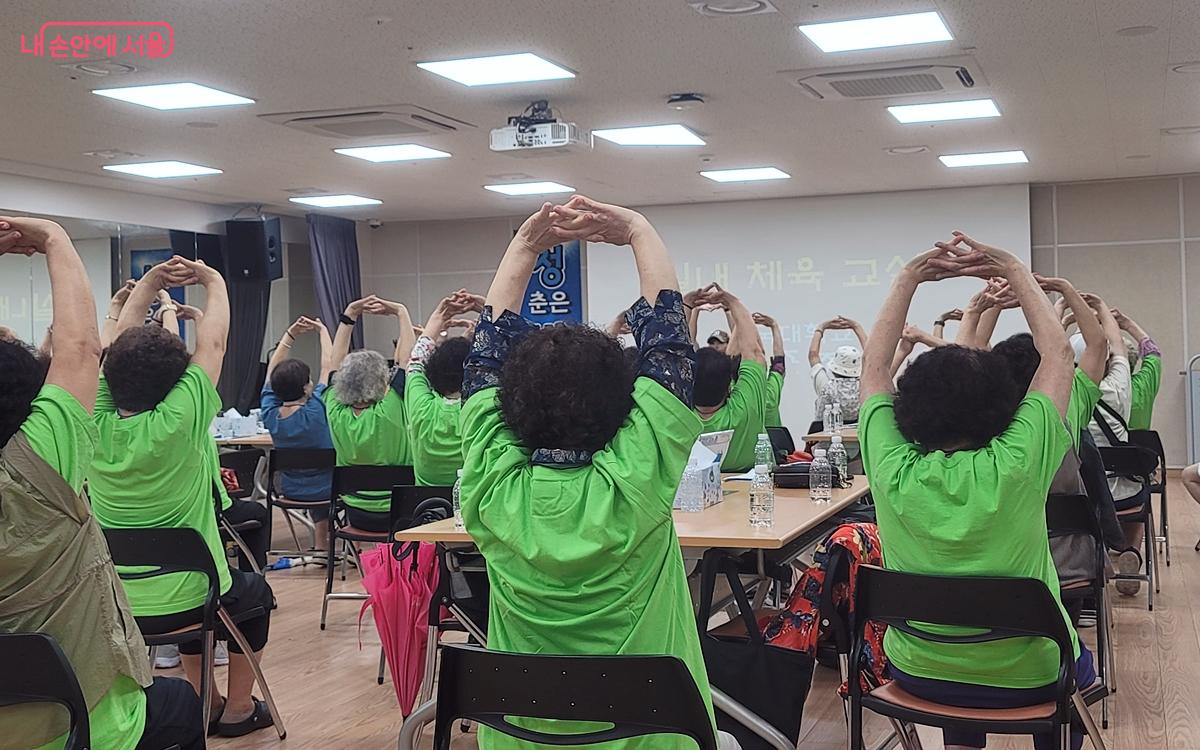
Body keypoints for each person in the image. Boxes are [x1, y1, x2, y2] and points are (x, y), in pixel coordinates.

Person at [460, 197, 734, 750]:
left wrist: (525, 245)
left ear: (509, 406)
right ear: (624, 404)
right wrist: (637, 229)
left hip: (522, 740)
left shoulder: (492, 486)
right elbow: (669, 346)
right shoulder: (639, 475)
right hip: (657, 737)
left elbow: (484, 356)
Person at [859, 232, 1094, 750]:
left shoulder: (891, 466)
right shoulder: (1018, 461)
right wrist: (1015, 269)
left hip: (918, 670)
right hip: (1030, 676)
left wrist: (906, 279)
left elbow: (873, 368)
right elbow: (1057, 356)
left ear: (908, 409)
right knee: (1074, 665)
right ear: (1001, 407)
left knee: (958, 664)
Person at [0, 217, 204, 750]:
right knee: (180, 705)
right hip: (86, 729)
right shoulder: (38, 463)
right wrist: (53, 238)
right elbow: (82, 350)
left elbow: (85, 353)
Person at [88, 256, 276, 737]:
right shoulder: (181, 418)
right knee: (251, 593)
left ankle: (205, 701)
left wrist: (148, 285)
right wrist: (214, 279)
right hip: (194, 594)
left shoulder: (93, 424)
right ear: (179, 383)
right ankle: (236, 707)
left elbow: (110, 358)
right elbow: (212, 341)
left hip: (120, 601)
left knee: (204, 590)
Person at [324, 295, 415, 532]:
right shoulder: (391, 407)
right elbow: (408, 359)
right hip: (399, 512)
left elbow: (334, 362)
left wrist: (349, 315)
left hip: (356, 514)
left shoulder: (334, 410)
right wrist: (401, 311)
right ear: (381, 380)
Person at [261, 315, 335, 550]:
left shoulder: (270, 413)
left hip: (290, 489)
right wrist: (323, 331)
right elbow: (329, 365)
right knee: (325, 476)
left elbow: (270, 373)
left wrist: (289, 335)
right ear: (305, 387)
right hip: (328, 487)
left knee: (313, 477)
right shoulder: (317, 408)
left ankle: (321, 546)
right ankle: (324, 546)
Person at [407, 293, 480, 486]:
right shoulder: (482, 410)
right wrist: (486, 313)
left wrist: (438, 316)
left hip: (427, 511)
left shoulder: (420, 406)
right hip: (473, 511)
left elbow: (416, 362)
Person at [692, 285, 768, 472]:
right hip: (755, 493)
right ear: (729, 384)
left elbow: (676, 353)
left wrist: (688, 306)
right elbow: (754, 351)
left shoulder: (679, 415)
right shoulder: (745, 407)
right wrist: (732, 302)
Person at [808, 316, 866, 425]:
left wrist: (821, 327)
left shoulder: (826, 386)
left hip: (827, 439)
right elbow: (872, 357)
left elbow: (813, 355)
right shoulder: (866, 386)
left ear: (834, 368)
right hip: (859, 439)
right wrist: (857, 327)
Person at [1113, 309, 1161, 431]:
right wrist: (1127, 324)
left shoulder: (1099, 389)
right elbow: (1153, 353)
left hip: (1103, 449)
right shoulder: (1144, 385)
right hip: (1140, 449)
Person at [753, 311, 786, 428]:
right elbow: (779, 360)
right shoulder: (771, 391)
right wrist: (774, 325)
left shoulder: (739, 393)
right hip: (775, 445)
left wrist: (742, 325)